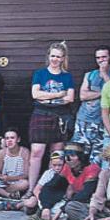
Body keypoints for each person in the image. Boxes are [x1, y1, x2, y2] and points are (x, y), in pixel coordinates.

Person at [28, 42, 75, 193]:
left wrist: (46, 98)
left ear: (63, 59)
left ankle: (47, 189)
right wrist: (58, 95)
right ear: (48, 56)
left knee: (56, 155)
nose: (55, 59)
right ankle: (31, 189)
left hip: (60, 116)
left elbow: (70, 98)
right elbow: (35, 94)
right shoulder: (40, 74)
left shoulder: (67, 76)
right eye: (53, 55)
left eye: (58, 56)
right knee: (36, 152)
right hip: (40, 115)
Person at [73, 46, 110, 163]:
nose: (101, 60)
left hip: (102, 123)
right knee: (78, 156)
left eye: (104, 57)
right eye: (98, 58)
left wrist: (104, 74)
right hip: (83, 121)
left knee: (96, 159)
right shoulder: (89, 75)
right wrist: (103, 93)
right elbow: (83, 96)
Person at [20, 150, 66, 218]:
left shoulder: (66, 174)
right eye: (54, 165)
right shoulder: (48, 173)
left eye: (60, 165)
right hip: (42, 197)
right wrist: (42, 201)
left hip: (56, 198)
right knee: (31, 203)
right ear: (51, 163)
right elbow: (36, 190)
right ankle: (20, 203)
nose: (57, 168)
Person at [0, 128, 30, 199]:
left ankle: (2, 193)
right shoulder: (2, 152)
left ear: (18, 139)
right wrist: (2, 177)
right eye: (7, 138)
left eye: (12, 138)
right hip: (3, 182)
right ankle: (8, 195)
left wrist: (10, 178)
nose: (9, 140)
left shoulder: (24, 151)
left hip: (17, 181)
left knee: (25, 183)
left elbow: (26, 175)